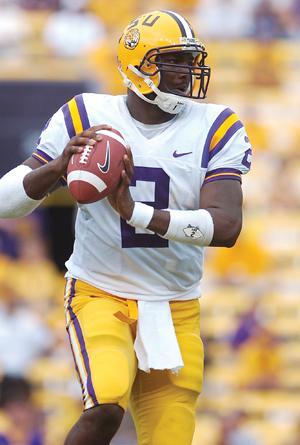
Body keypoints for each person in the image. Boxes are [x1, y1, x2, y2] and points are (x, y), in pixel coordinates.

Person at [0, 10, 252, 445]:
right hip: (101, 291)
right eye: (173, 61)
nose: (187, 72)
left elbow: (226, 226)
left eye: (190, 62)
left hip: (176, 306)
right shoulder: (85, 114)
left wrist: (134, 211)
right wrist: (56, 168)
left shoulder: (217, 125)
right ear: (137, 65)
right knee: (105, 406)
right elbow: (5, 201)